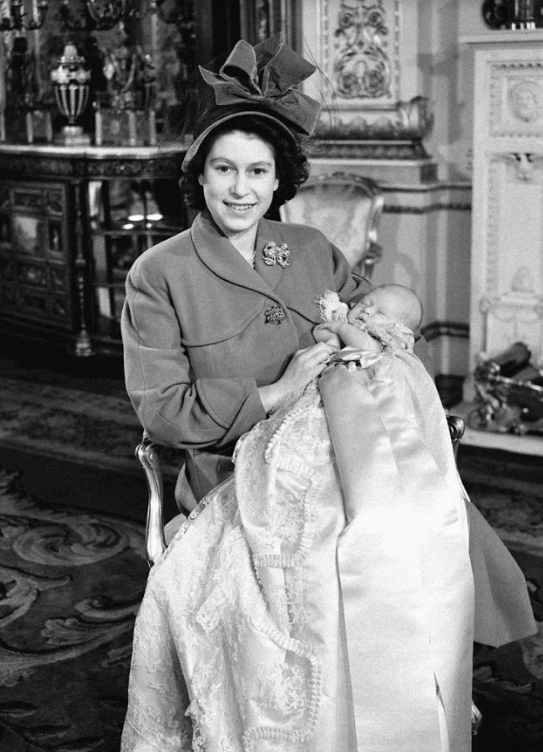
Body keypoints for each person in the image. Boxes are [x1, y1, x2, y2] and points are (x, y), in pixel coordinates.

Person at [121, 35, 536, 752]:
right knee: (358, 545)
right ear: (199, 174)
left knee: (421, 522)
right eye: (224, 169)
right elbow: (162, 410)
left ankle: (409, 703)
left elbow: (377, 322)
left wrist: (372, 343)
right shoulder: (160, 272)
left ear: (281, 179)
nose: (241, 189)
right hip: (236, 476)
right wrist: (275, 390)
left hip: (346, 452)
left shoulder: (308, 247)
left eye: (258, 171)